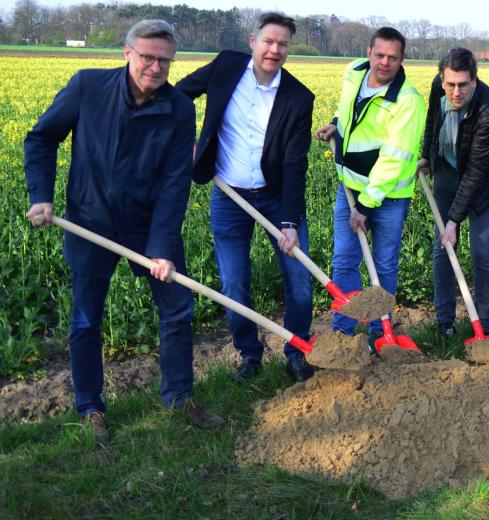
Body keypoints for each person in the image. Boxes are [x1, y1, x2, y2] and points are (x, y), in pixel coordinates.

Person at [24, 19, 222, 442]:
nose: (155, 67)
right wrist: (41, 194)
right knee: (85, 319)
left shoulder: (179, 109)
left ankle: (178, 396)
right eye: (147, 57)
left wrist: (162, 247)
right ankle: (90, 407)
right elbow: (41, 139)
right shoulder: (87, 88)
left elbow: (174, 184)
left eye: (164, 60)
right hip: (88, 224)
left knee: (177, 308)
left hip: (147, 227)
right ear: (127, 52)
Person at [176, 12, 316, 383]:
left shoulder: (299, 98)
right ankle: (249, 356)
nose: (275, 49)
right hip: (229, 194)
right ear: (252, 40)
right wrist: (184, 142)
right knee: (234, 281)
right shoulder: (225, 66)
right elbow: (178, 95)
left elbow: (294, 163)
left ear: (289, 49)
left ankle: (297, 352)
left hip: (275, 196)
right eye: (268, 41)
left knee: (299, 279)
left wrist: (289, 222)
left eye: (282, 44)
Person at [314, 27, 426, 345]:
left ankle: (380, 332)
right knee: (345, 260)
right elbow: (347, 109)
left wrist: (365, 205)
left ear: (402, 60)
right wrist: (335, 125)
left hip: (387, 196)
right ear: (369, 52)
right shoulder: (353, 72)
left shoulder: (407, 101)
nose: (384, 62)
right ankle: (344, 333)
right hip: (349, 185)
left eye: (393, 57)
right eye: (380, 55)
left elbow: (393, 159)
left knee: (384, 263)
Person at [420, 48, 489, 337]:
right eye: (450, 84)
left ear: (475, 80)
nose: (456, 92)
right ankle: (444, 321)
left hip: (481, 184)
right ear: (442, 79)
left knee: (481, 252)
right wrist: (425, 155)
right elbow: (433, 118)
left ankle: (485, 324)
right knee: (443, 248)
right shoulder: (437, 86)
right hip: (446, 172)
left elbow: (476, 172)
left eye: (463, 85)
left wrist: (454, 221)